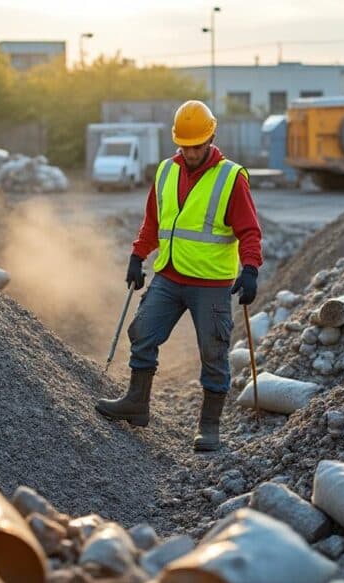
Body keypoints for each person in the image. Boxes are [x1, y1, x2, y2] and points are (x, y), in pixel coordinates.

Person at [95, 100, 263, 452]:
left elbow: (249, 231)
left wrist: (250, 269)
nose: (190, 152)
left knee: (213, 353)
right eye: (185, 146)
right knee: (142, 332)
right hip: (169, 276)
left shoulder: (230, 178)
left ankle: (209, 426)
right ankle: (137, 404)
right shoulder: (165, 172)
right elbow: (153, 222)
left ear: (211, 138)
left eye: (197, 146)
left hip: (211, 283)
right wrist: (137, 255)